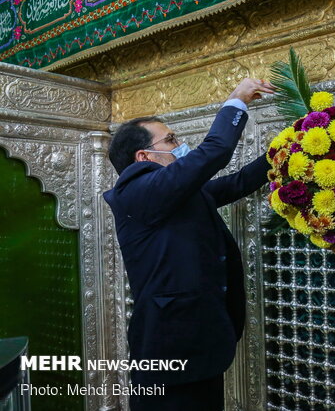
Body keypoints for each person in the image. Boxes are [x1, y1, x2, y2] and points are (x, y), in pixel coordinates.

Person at [103, 78, 274, 411]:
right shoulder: (137, 192)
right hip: (170, 353)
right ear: (144, 156)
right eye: (171, 140)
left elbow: (236, 183)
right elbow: (214, 153)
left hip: (199, 346)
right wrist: (237, 99)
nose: (179, 145)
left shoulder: (173, 194)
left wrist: (286, 151)